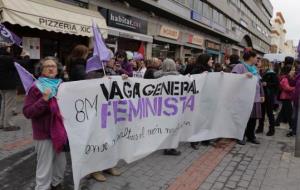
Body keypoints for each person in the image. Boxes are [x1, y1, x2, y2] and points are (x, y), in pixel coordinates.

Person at [23, 57, 67, 190]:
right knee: (45, 167)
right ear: (41, 70)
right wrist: (44, 99)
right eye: (47, 66)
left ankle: (56, 184)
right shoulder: (35, 87)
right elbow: (27, 112)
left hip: (60, 132)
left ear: (57, 69)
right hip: (44, 133)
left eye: (53, 66)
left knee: (61, 164)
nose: (51, 68)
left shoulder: (62, 85)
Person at [86, 51, 122, 182]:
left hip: (110, 113)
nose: (113, 60)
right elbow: (88, 90)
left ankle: (109, 165)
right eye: (111, 58)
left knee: (111, 139)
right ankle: (95, 170)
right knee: (98, 141)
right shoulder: (91, 73)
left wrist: (121, 79)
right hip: (97, 115)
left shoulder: (110, 71)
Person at [232, 48, 264, 145]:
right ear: (251, 58)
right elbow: (233, 79)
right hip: (244, 98)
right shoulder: (240, 66)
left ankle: (251, 136)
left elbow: (259, 82)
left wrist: (262, 94)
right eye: (256, 58)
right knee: (242, 118)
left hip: (255, 98)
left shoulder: (255, 69)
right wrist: (244, 75)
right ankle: (240, 135)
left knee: (253, 118)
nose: (257, 60)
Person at [153, 58, 182, 156]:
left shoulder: (157, 76)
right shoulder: (177, 78)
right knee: (172, 127)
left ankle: (164, 145)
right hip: (172, 106)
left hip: (161, 106)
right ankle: (169, 148)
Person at [190, 54, 214, 149]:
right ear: (205, 60)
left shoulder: (210, 69)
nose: (212, 61)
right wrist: (201, 76)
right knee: (198, 120)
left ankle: (205, 139)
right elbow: (191, 81)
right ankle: (194, 140)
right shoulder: (197, 69)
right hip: (199, 99)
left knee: (206, 119)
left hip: (208, 98)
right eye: (211, 59)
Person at [256, 59, 279, 136]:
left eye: (259, 62)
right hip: (261, 95)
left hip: (269, 96)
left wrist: (267, 84)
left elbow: (276, 85)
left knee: (269, 113)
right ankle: (260, 128)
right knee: (261, 113)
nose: (257, 63)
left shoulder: (271, 73)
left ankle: (272, 130)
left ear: (263, 63)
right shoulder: (259, 72)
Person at [0, 44, 20, 131]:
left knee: (4, 104)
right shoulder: (8, 59)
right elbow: (18, 66)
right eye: (8, 47)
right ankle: (8, 124)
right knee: (9, 105)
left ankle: (1, 123)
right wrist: (24, 56)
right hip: (10, 85)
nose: (9, 48)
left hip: (2, 85)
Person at [276, 65, 295, 137]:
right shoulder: (285, 79)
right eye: (292, 70)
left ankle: (276, 122)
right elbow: (287, 88)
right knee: (289, 113)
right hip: (285, 97)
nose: (294, 71)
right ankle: (292, 127)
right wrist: (295, 87)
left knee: (283, 111)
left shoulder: (290, 78)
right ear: (288, 71)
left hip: (288, 97)